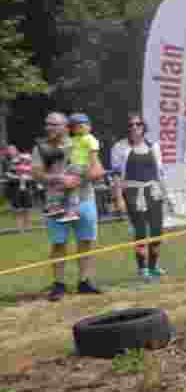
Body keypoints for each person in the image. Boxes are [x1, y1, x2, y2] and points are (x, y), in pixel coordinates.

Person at [31, 112, 105, 301]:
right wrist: (58, 178)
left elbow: (98, 171)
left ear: (66, 127)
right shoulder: (41, 148)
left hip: (85, 200)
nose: (49, 128)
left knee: (86, 241)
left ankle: (84, 282)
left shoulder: (82, 142)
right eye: (47, 124)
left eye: (54, 125)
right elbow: (37, 174)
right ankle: (59, 284)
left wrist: (78, 179)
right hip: (55, 204)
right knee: (58, 243)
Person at [110, 114, 170, 279]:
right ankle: (142, 268)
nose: (135, 127)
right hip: (132, 192)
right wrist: (119, 199)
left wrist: (165, 194)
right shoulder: (119, 147)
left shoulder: (153, 146)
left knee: (157, 230)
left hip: (153, 191)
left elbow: (159, 172)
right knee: (140, 231)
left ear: (144, 127)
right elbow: (116, 175)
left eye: (138, 124)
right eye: (131, 125)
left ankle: (153, 266)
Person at [3, 145, 34, 232]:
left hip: (26, 187)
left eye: (13, 150)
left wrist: (27, 177)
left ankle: (28, 228)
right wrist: (17, 177)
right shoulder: (7, 162)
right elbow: (7, 174)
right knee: (18, 210)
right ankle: (20, 229)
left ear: (16, 150)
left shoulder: (23, 159)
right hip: (15, 188)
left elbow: (30, 171)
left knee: (27, 209)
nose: (11, 151)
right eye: (9, 150)